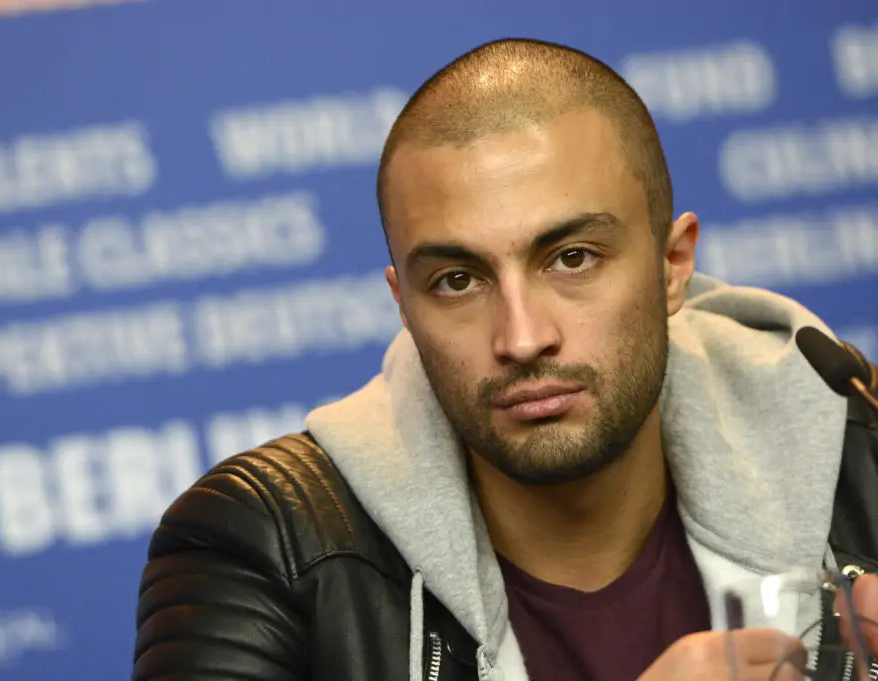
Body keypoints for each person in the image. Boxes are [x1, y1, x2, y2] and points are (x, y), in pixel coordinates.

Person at [130, 38, 878, 681]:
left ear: (673, 264)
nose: (521, 338)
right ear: (404, 305)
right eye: (457, 280)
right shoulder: (265, 543)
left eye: (573, 258)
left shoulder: (859, 453)